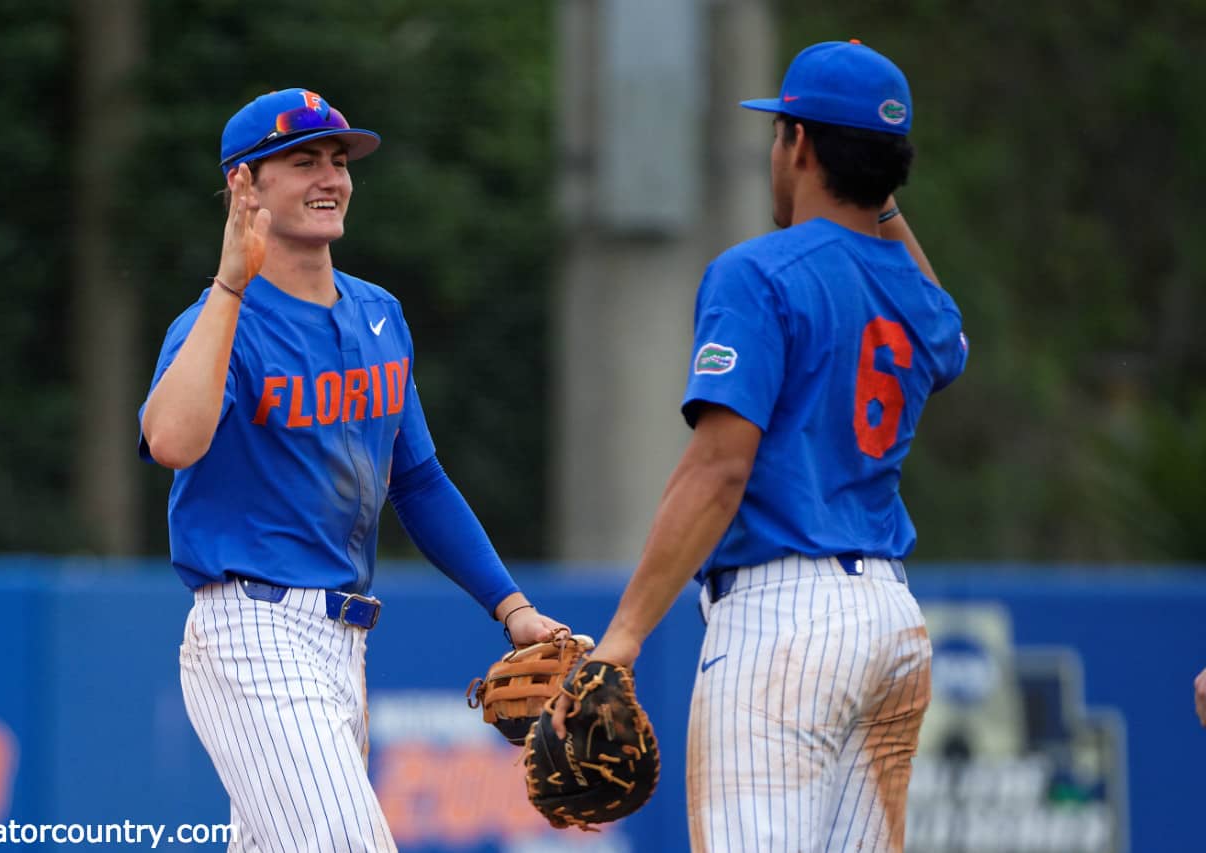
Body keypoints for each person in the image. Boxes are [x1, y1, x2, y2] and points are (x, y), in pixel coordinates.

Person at [553, 41, 967, 852]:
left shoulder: (758, 273)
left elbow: (719, 468)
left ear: (801, 145)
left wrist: (624, 636)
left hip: (786, 626)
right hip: (892, 627)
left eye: (782, 133)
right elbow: (947, 327)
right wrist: (877, 187)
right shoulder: (917, 300)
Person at [138, 87, 567, 853]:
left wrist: (511, 608)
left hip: (342, 645)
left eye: (338, 159)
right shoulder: (216, 321)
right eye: (302, 161)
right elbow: (171, 440)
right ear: (244, 184)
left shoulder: (379, 313)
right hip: (253, 629)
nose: (330, 176)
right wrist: (230, 284)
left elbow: (419, 482)